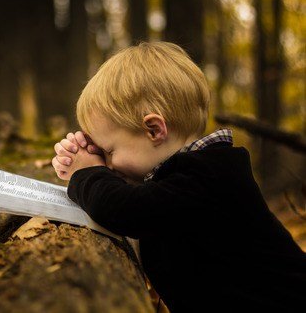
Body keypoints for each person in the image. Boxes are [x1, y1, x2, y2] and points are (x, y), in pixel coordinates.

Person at [51, 42, 306, 312]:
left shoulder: (210, 177)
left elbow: (126, 209)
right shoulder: (191, 173)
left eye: (110, 151)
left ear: (153, 130)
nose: (109, 164)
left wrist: (87, 173)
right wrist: (94, 165)